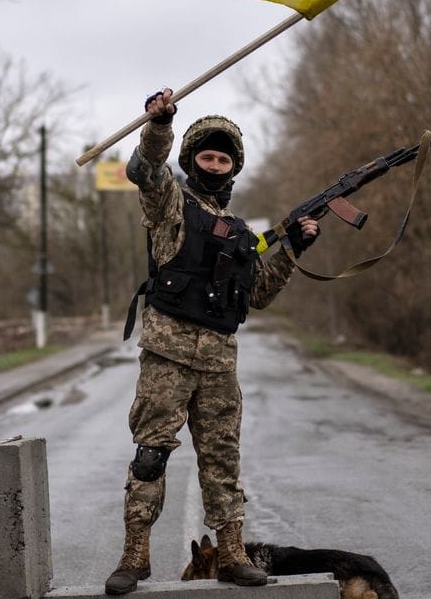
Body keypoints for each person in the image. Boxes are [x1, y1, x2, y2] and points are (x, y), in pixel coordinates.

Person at [104, 88, 320, 595]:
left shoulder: (243, 233)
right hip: (167, 356)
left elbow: (259, 294)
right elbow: (145, 172)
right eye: (207, 155)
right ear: (191, 159)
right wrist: (159, 125)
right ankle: (134, 556)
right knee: (151, 454)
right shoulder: (169, 204)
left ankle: (231, 553)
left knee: (222, 460)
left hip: (220, 362)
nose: (216, 164)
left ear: (234, 167)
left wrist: (293, 248)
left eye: (225, 158)